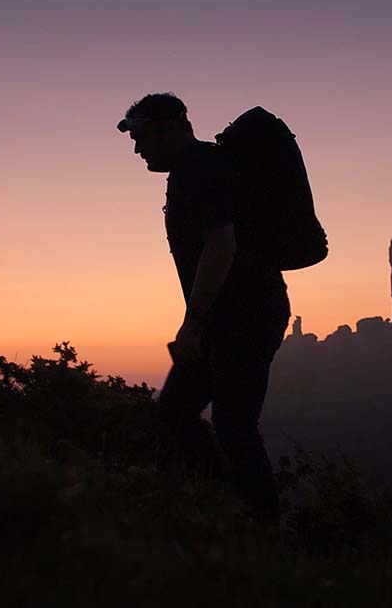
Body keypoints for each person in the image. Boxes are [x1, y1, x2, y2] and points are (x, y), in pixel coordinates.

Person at [117, 93, 290, 523]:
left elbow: (221, 245)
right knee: (177, 415)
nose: (137, 148)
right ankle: (220, 508)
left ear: (170, 127)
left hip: (244, 317)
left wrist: (192, 325)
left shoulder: (199, 170)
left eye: (140, 136)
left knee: (233, 426)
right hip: (230, 317)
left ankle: (262, 530)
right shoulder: (197, 169)